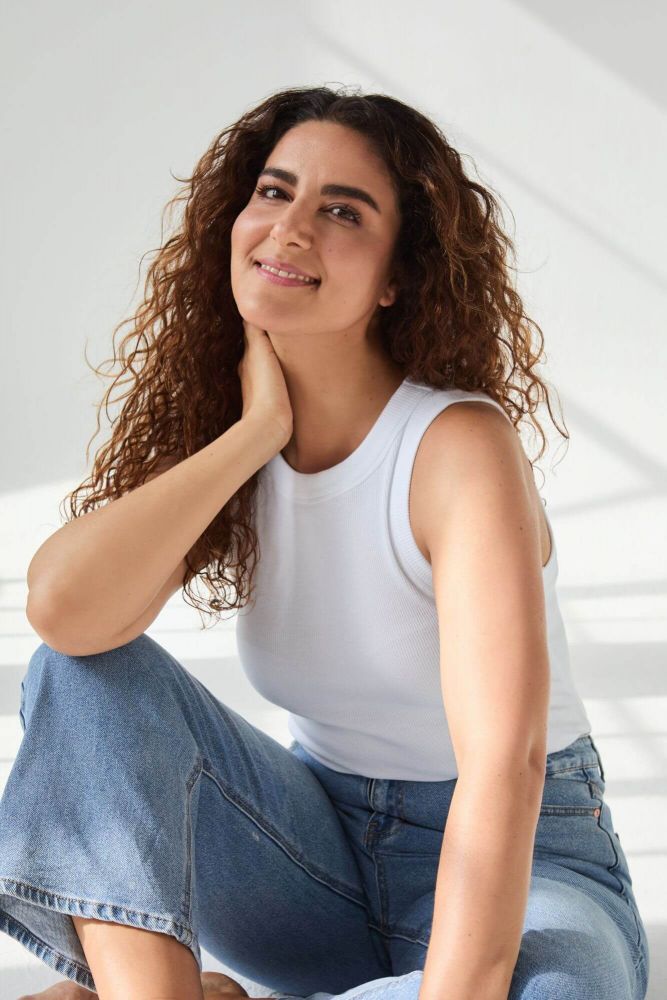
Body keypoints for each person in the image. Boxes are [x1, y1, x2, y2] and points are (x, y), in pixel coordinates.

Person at [0, 85, 649, 1000]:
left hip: (524, 862)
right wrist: (256, 432)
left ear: (395, 277)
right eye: (274, 191)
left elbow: (505, 765)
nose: (292, 227)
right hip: (312, 861)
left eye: (343, 211)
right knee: (81, 673)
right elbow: (64, 616)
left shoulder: (456, 448)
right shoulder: (232, 438)